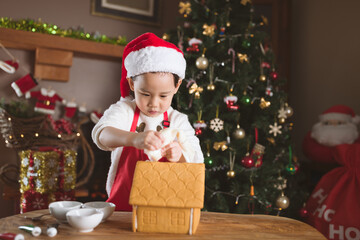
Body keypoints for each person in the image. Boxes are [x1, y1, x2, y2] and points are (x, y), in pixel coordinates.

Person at [91, 32, 204, 211]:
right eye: (145, 94)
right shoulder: (125, 111)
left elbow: (196, 164)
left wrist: (179, 156)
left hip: (167, 207)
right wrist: (134, 139)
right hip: (123, 208)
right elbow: (101, 134)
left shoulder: (179, 121)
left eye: (163, 95)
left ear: (177, 86)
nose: (154, 103)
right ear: (132, 84)